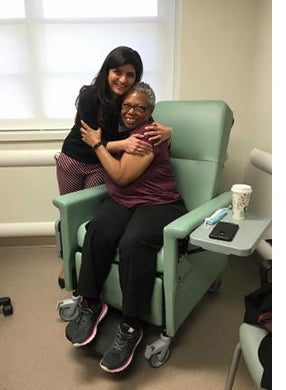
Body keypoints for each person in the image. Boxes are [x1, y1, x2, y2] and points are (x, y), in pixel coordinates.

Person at [64, 82, 187, 373]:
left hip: (159, 203)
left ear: (150, 111)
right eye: (127, 106)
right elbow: (100, 143)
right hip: (123, 201)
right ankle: (91, 303)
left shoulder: (148, 135)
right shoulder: (117, 126)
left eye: (140, 107)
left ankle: (131, 326)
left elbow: (120, 175)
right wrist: (105, 142)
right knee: (98, 230)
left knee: (134, 244)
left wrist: (97, 144)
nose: (132, 112)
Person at [55, 46, 173, 288]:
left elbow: (146, 122)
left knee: (90, 217)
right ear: (107, 71)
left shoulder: (130, 100)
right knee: (69, 214)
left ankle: (90, 263)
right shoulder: (90, 96)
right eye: (117, 72)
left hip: (100, 165)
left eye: (130, 74)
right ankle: (66, 261)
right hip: (73, 159)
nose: (123, 79)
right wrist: (123, 143)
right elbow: (89, 138)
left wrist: (170, 131)